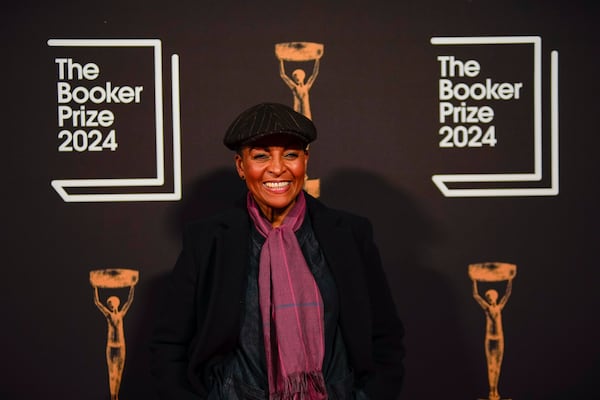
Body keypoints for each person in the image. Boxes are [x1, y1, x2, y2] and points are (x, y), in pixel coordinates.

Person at [150, 102, 405, 399]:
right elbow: (169, 346)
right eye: (260, 156)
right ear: (241, 166)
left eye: (291, 154)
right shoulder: (209, 240)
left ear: (306, 161)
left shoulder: (349, 235)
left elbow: (384, 337)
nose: (277, 168)